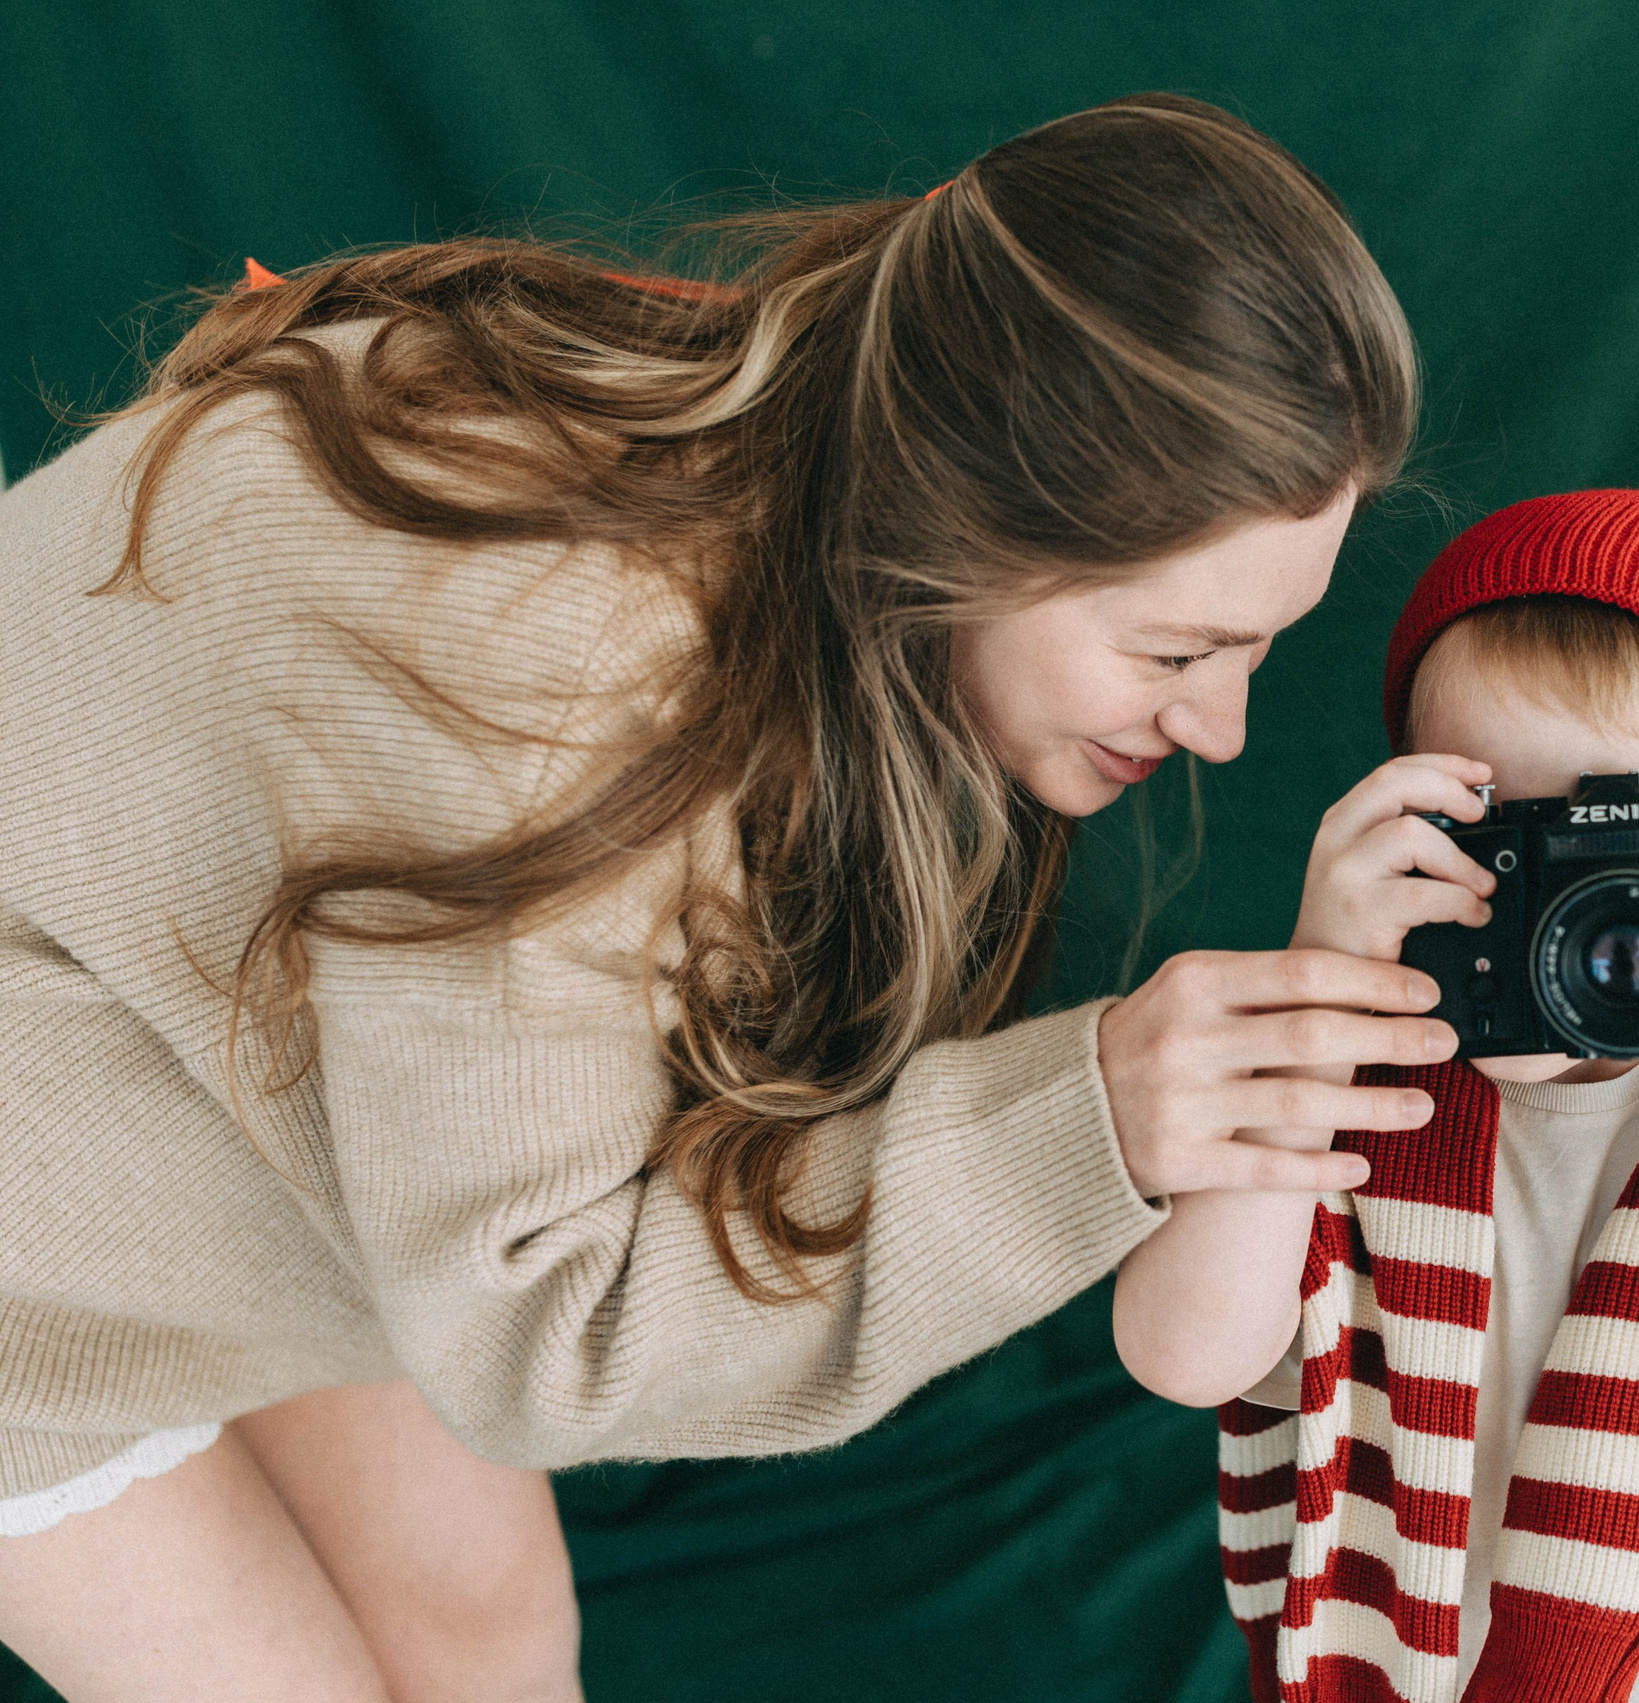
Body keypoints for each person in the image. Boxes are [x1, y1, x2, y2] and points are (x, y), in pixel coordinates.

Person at [0, 94, 1462, 1702]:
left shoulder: (774, 450)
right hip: (36, 1263)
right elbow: (549, 1341)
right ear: (975, 514)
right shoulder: (550, 660)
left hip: (239, 1114)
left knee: (491, 1645)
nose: (1221, 728)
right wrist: (1090, 1115)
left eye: (1257, 646)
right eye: (1177, 650)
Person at [1113, 490, 1639, 1701]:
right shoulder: (1354, 1052)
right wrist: (1317, 994)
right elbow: (1182, 1355)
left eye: (1627, 859)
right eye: (1501, 841)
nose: (1568, 922)